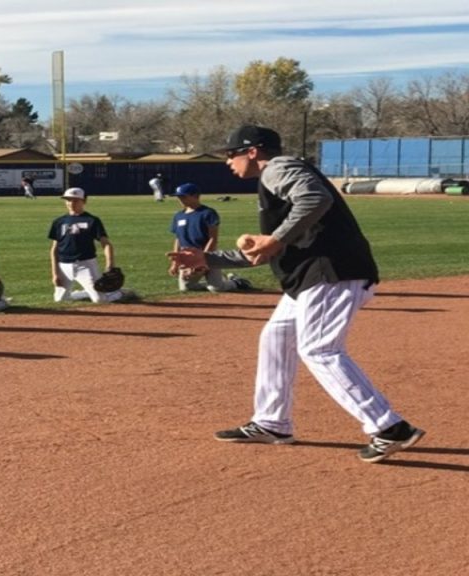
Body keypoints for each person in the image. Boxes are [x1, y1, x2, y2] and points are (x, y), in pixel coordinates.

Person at [168, 125, 424, 464]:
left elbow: (317, 198)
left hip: (330, 272)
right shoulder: (275, 179)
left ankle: (389, 427)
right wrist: (208, 258)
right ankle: (272, 422)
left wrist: (276, 239)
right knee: (276, 337)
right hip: (308, 278)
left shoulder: (279, 168)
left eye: (230, 154)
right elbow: (268, 249)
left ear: (253, 151)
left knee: (319, 349)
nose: (227, 161)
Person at [168, 182, 252, 292]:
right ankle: (219, 281)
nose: (180, 199)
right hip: (187, 257)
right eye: (178, 197)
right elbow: (178, 239)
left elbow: (213, 238)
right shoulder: (178, 216)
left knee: (216, 288)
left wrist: (205, 257)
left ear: (196, 196)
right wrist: (175, 262)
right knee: (186, 288)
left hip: (209, 254)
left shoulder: (207, 213)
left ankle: (236, 281)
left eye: (183, 196)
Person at [49, 187, 126, 303]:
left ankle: (116, 293)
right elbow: (54, 249)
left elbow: (106, 244)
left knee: (100, 300)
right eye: (68, 200)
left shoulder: (92, 220)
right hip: (64, 266)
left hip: (86, 265)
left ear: (84, 201)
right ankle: (85, 292)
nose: (71, 203)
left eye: (75, 200)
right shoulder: (59, 222)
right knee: (59, 300)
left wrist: (110, 265)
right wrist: (55, 274)